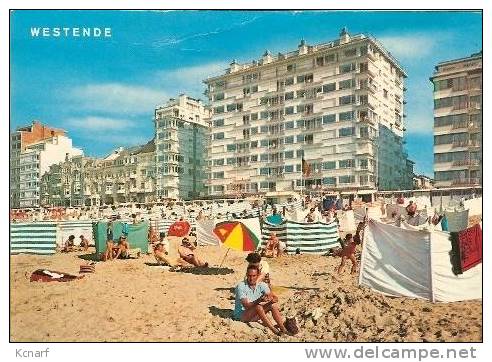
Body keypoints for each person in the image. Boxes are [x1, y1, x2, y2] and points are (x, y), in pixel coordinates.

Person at [234, 265, 289, 336]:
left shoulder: (262, 285)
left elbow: (272, 296)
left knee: (273, 305)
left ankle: (283, 328)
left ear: (258, 275)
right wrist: (259, 300)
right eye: (249, 276)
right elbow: (246, 306)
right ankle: (274, 330)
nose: (251, 278)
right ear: (246, 275)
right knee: (258, 307)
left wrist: (273, 299)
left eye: (254, 276)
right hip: (242, 315)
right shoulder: (241, 286)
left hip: (255, 314)